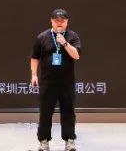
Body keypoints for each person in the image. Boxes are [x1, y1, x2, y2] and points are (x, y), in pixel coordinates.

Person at [30, 8, 81, 151]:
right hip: (47, 82)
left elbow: (76, 55)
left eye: (62, 20)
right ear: (51, 21)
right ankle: (43, 141)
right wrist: (34, 75)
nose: (59, 23)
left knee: (68, 112)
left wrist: (65, 43)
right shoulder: (42, 37)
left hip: (66, 82)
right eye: (56, 20)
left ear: (67, 22)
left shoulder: (72, 36)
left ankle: (69, 140)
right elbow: (35, 57)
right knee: (45, 112)